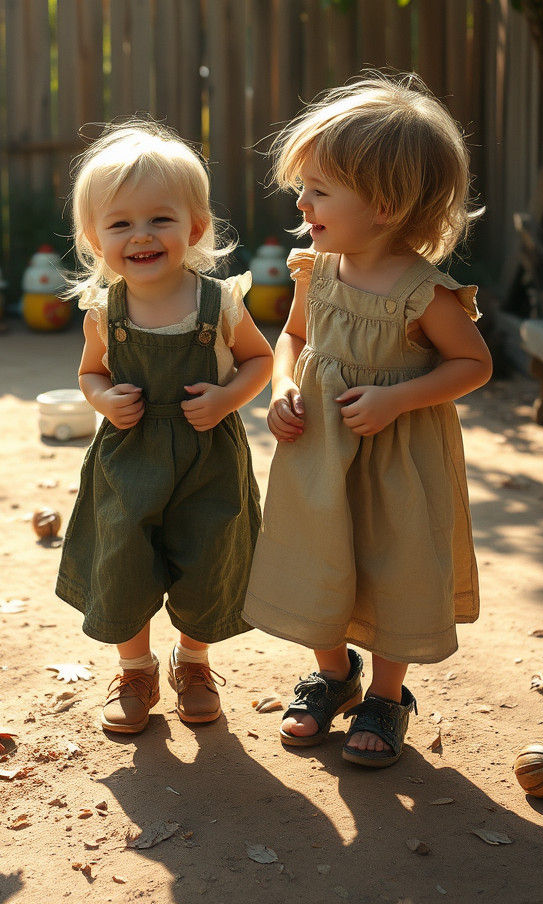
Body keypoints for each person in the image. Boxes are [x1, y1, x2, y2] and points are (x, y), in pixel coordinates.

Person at [244, 73, 492, 768]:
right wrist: (284, 389)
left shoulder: (425, 292)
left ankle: (386, 696)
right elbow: (292, 339)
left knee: (395, 566)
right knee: (314, 555)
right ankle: (333, 674)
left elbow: (473, 365)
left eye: (320, 190)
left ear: (383, 205)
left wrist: (397, 399)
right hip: (319, 450)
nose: (302, 202)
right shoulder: (315, 269)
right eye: (305, 187)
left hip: (397, 461)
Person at [56, 120, 273, 735]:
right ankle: (135, 669)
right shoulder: (104, 312)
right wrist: (104, 401)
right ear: (96, 238)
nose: (141, 235)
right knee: (123, 561)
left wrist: (228, 398)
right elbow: (89, 374)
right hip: (130, 457)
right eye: (120, 223)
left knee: (209, 559)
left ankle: (194, 663)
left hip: (207, 457)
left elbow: (259, 360)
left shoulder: (219, 303)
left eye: (160, 219)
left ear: (195, 228)